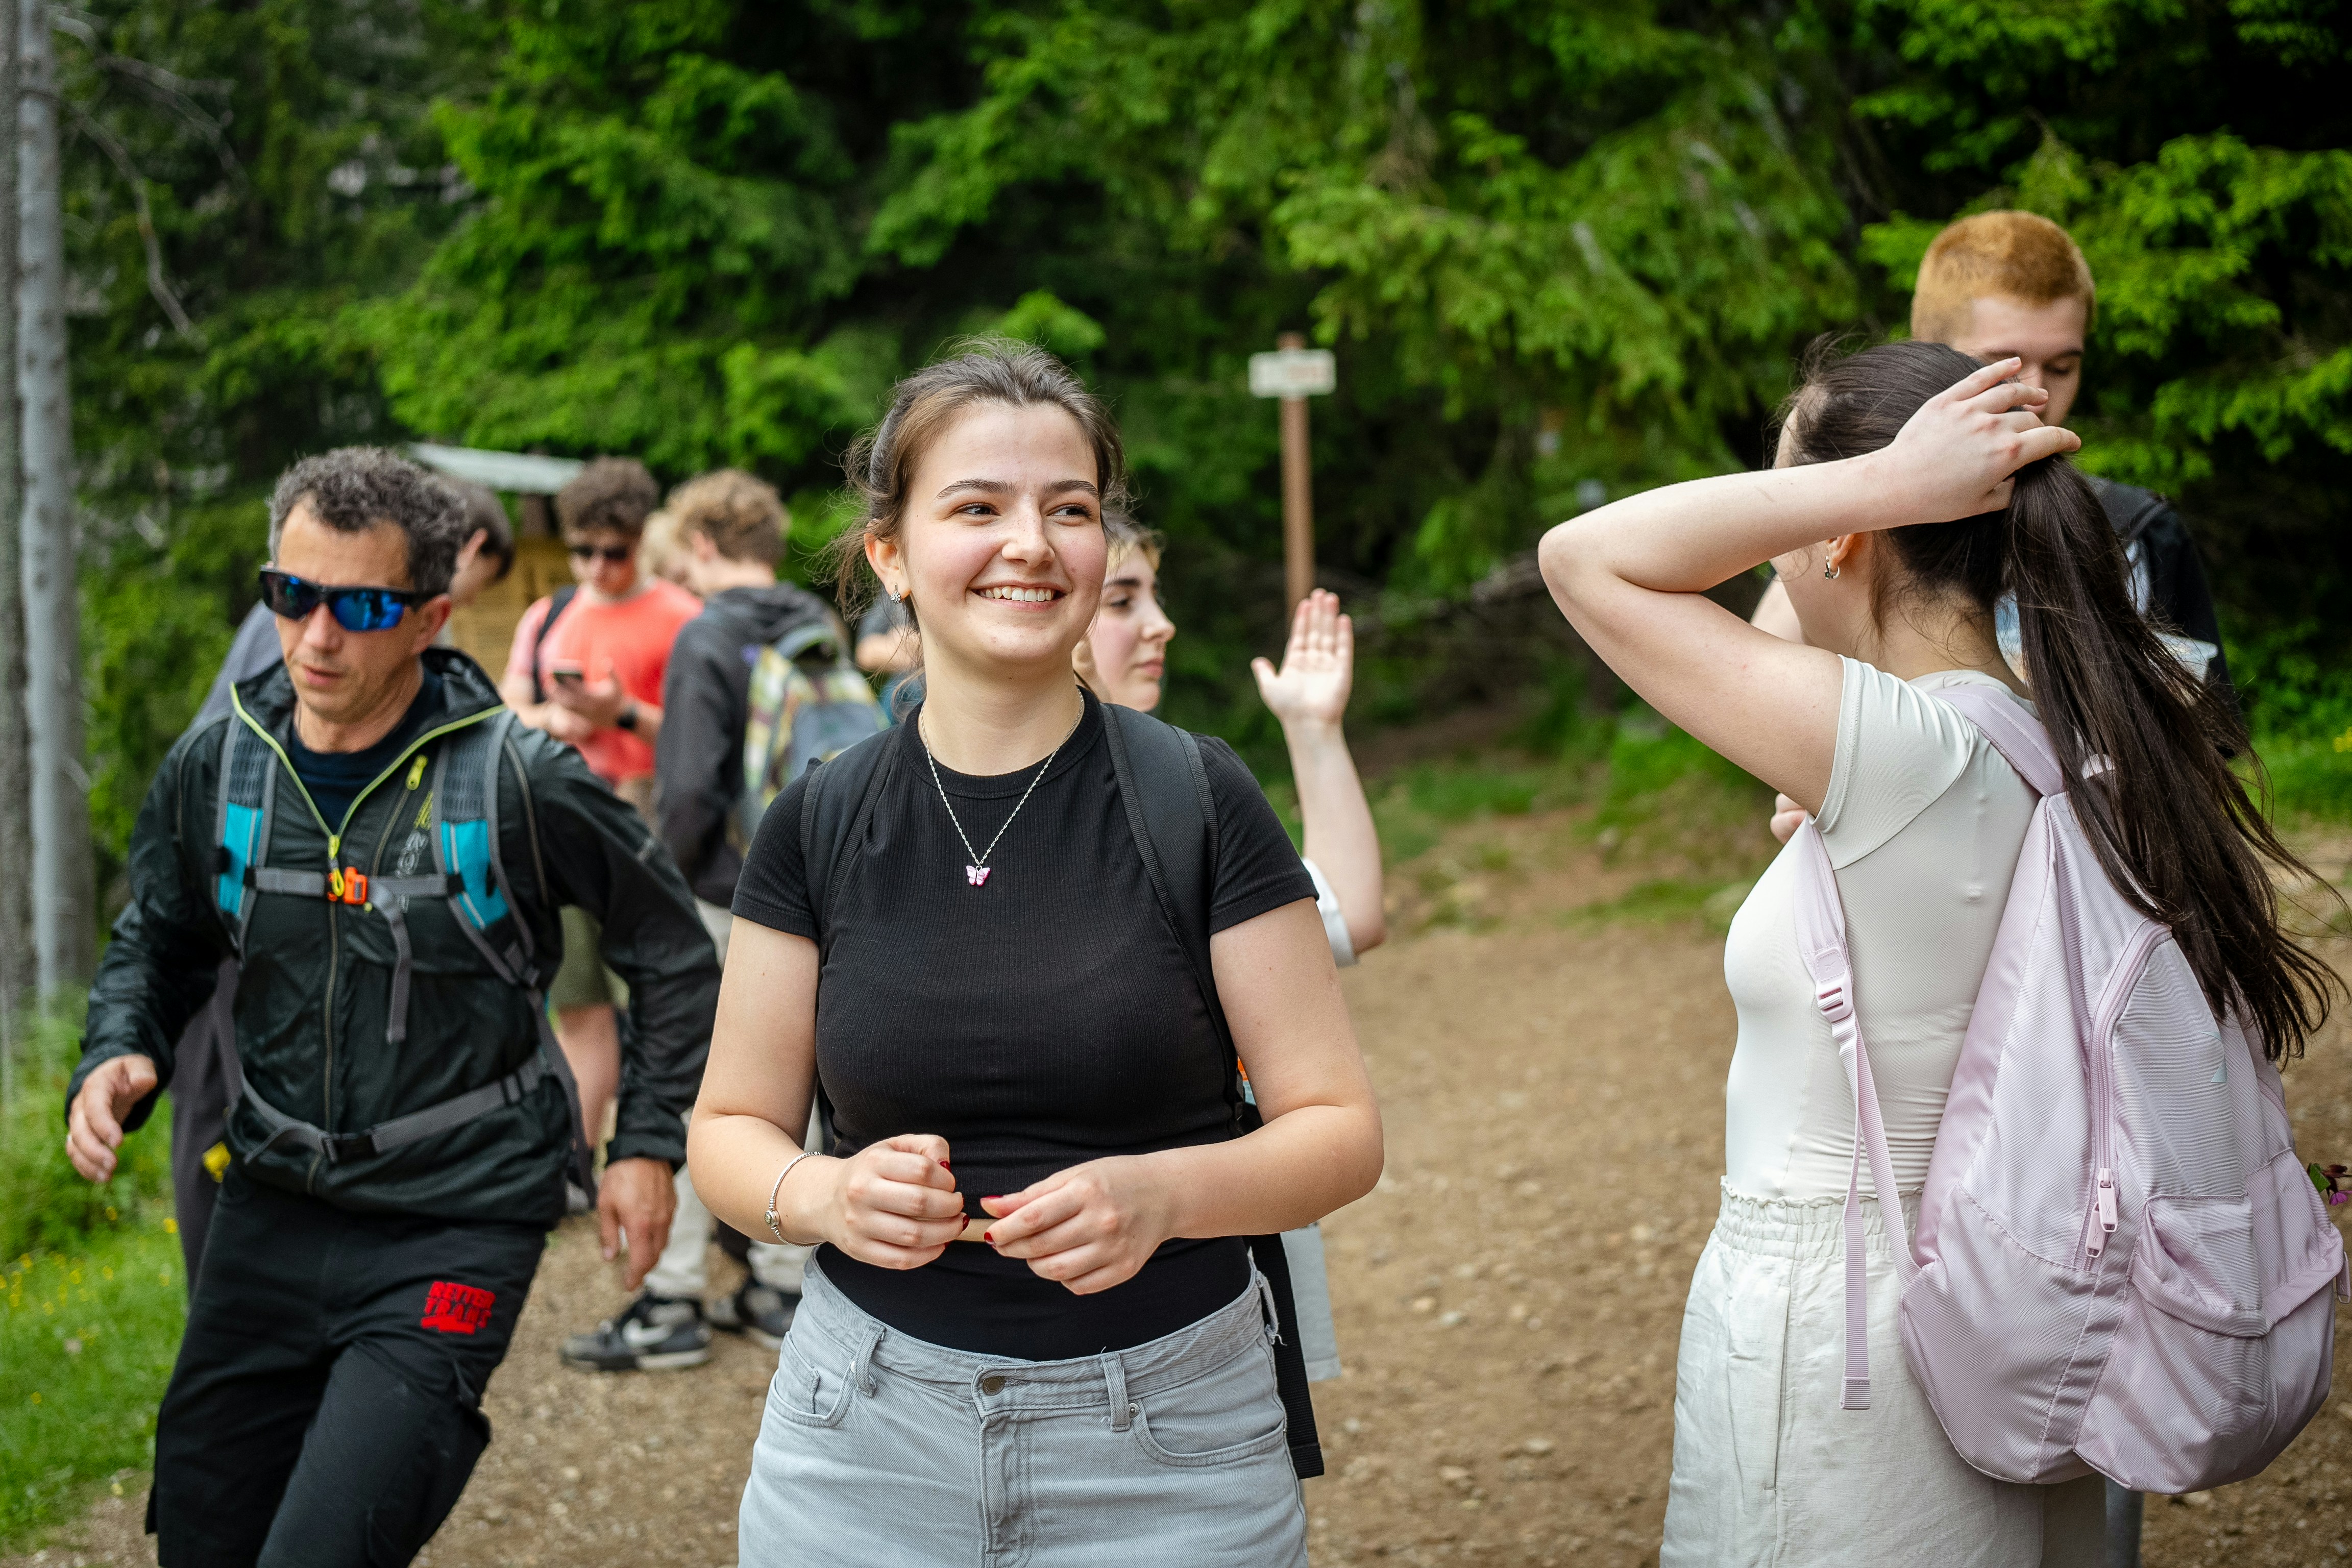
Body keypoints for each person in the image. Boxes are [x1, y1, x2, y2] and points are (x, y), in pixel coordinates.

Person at [1538, 341, 2334, 1566]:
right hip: (2021, 1294)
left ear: (1846, 532)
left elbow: (1581, 557)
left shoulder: (1906, 750)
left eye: (1789, 504)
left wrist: (1875, 481)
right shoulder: (2059, 737)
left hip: (1855, 1328)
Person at [687, 343, 1382, 1565]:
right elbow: (730, 1127)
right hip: (860, 1443)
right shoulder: (818, 818)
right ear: (889, 553)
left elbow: (1338, 1128)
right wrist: (828, 1196)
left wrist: (1164, 1196)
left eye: (1070, 509)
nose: (1032, 543)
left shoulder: (1198, 795)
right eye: (977, 508)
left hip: (1170, 1445)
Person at [65, 447, 721, 1567]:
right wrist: (121, 1047)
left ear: (429, 619)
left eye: (360, 607)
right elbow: (159, 939)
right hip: (273, 1200)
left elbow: (671, 948)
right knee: (205, 1534)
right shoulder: (220, 765)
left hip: (457, 1214)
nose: (317, 636)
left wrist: (648, 1143)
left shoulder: (516, 777)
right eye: (292, 595)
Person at [165, 478, 513, 1288]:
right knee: (242, 1109)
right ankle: (246, 1307)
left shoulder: (321, 606)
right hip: (237, 886)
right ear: (462, 552)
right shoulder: (336, 625)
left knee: (237, 1103)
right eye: (469, 589)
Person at [1075, 529, 1385, 1382]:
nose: (1162, 623)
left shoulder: (1188, 799)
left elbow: (1349, 914)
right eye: (1124, 599)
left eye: (1154, 595)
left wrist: (1313, 731)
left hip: (1212, 1316)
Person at [561, 468, 846, 1371]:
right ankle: (780, 1281)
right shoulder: (815, 622)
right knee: (789, 1085)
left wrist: (653, 884)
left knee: (690, 1083)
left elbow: (686, 792)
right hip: (810, 893)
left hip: (720, 896)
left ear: (703, 544)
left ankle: (672, 1297)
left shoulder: (707, 634)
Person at [1752, 211, 2234, 703]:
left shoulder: (2139, 531)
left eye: (2062, 367)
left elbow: (2210, 727)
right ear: (1927, 357)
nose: (2036, 395)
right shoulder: (1860, 521)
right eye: (2002, 367)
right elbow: (1761, 690)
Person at [500, 458, 701, 1161]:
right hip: (562, 823)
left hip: (651, 822)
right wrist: (554, 721)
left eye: (612, 552)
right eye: (581, 551)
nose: (595, 567)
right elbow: (507, 712)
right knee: (580, 1004)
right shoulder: (548, 615)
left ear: (641, 539)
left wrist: (620, 715)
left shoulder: (685, 618)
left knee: (662, 1001)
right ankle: (576, 1166)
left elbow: (703, 742)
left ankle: (668, 1163)